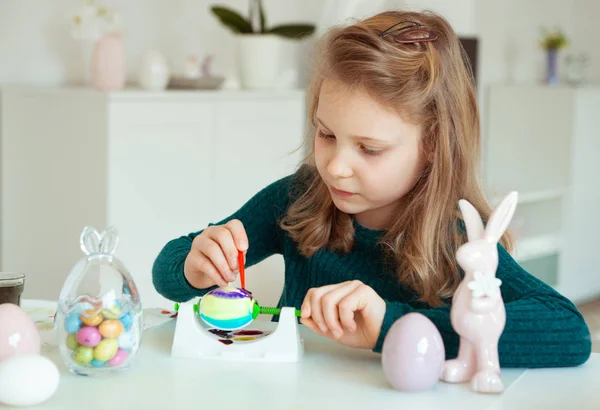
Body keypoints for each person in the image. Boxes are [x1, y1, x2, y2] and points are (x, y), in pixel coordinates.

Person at [152, 10, 591, 369]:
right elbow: (167, 269)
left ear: (434, 144)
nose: (337, 168)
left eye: (369, 148)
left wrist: (394, 327)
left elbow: (569, 331)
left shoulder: (457, 236)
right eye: (326, 135)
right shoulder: (298, 198)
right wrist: (194, 266)